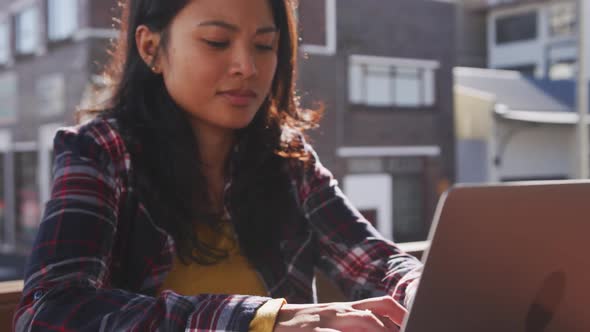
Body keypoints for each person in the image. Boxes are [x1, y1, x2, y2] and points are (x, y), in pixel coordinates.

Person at [13, 0, 422, 330]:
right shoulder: (101, 152)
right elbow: (49, 311)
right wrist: (263, 320)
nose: (247, 66)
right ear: (151, 48)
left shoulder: (289, 161)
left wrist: (420, 288)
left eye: (265, 45)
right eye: (216, 41)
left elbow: (372, 260)